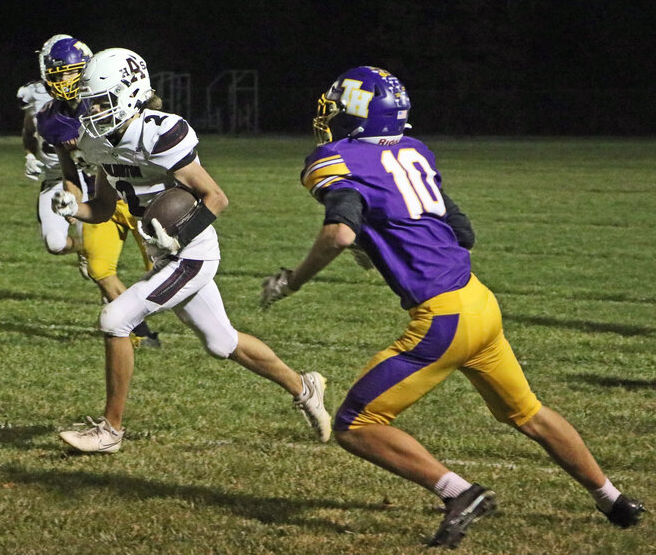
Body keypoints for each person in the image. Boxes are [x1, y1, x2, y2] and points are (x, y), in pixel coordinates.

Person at [259, 66, 644, 548]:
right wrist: (383, 236)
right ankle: (612, 498)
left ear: (358, 114)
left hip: (443, 319)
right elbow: (462, 234)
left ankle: (459, 493)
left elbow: (339, 232)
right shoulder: (415, 151)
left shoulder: (337, 158)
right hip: (481, 304)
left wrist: (294, 280)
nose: (330, 116)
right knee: (530, 414)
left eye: (338, 107)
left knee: (356, 426)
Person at [50, 47, 331, 454]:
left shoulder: (159, 132)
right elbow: (105, 208)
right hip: (166, 251)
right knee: (222, 342)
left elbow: (215, 197)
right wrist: (72, 208)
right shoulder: (97, 141)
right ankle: (305, 387)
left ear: (133, 92)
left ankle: (109, 431)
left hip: (192, 250)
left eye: (103, 100)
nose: (94, 110)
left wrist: (180, 237)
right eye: (91, 101)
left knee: (115, 318)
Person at [33, 37, 158, 347]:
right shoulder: (51, 119)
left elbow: (152, 108)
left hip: (136, 194)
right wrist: (72, 205)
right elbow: (68, 168)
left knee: (161, 274)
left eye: (71, 72)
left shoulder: (107, 100)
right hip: (100, 200)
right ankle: (140, 332)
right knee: (99, 269)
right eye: (57, 73)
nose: (63, 80)